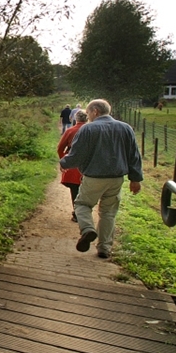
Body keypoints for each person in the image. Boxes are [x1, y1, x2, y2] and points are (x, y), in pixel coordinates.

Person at [59, 99, 143, 259]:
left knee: (82, 204)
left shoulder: (88, 129)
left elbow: (77, 155)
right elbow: (134, 155)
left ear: (95, 111)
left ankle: (88, 229)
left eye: (89, 112)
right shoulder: (126, 128)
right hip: (116, 179)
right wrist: (135, 179)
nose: (88, 116)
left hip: (93, 177)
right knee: (108, 212)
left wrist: (64, 162)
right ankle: (104, 248)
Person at [57, 109, 88, 223]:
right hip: (88, 163)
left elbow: (60, 148)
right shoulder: (92, 131)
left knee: (75, 188)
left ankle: (76, 213)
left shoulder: (70, 131)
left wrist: (64, 161)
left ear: (76, 119)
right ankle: (84, 212)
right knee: (86, 189)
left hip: (73, 163)